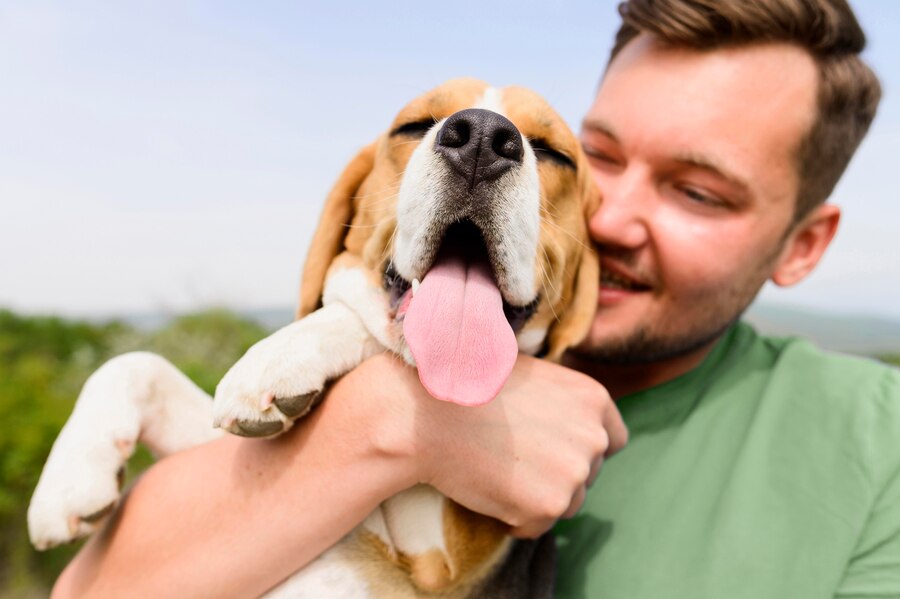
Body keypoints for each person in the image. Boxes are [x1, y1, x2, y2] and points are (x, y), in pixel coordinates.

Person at [53, 0, 897, 597]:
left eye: (698, 193)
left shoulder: (876, 446)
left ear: (804, 244)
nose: (613, 217)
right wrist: (393, 417)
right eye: (594, 154)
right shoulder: (326, 357)